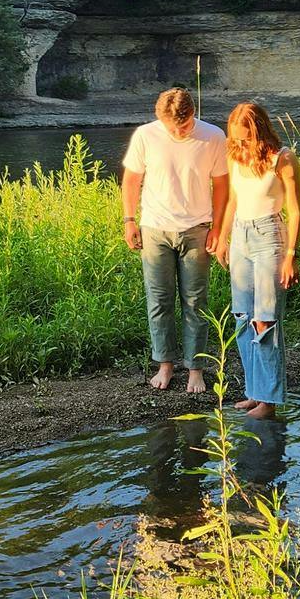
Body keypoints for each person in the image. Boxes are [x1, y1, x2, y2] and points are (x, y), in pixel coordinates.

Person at [121, 85, 230, 395]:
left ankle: (195, 369)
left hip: (197, 229)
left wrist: (219, 228)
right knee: (159, 301)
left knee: (196, 302)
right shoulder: (146, 135)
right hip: (154, 228)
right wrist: (129, 220)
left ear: (192, 115)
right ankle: (165, 365)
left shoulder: (213, 136)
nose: (177, 132)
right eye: (171, 127)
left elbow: (222, 186)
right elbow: (131, 180)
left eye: (182, 126)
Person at [210, 101, 300, 419]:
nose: (240, 142)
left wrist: (291, 255)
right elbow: (234, 199)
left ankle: (269, 401)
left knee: (265, 320)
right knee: (242, 317)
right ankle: (254, 391)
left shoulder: (283, 158)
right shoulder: (235, 155)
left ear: (259, 130)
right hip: (240, 237)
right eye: (235, 137)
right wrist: (222, 238)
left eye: (245, 137)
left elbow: (295, 210)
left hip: (270, 238)